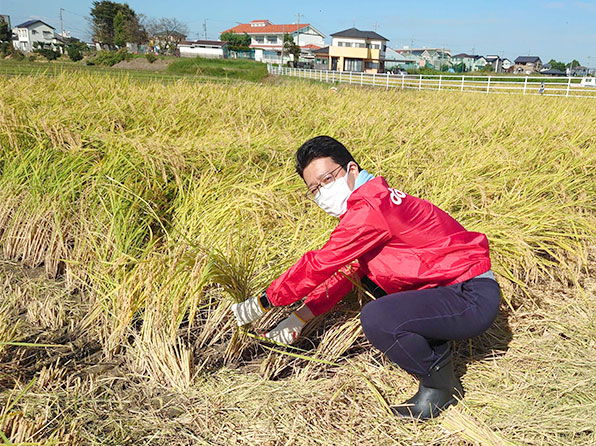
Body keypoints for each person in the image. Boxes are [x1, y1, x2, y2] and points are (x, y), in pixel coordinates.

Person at [231, 135, 501, 420]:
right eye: (314, 189)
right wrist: (300, 317)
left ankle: (440, 388)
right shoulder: (373, 200)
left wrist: (263, 302)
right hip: (452, 291)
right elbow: (347, 272)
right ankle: (435, 343)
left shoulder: (370, 209)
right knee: (376, 287)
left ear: (351, 170)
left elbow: (319, 264)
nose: (322, 193)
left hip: (469, 295)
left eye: (326, 180)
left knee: (378, 317)